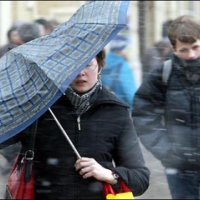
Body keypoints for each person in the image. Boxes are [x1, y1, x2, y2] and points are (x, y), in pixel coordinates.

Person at [0, 48, 150, 199]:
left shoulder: (116, 112)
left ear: (99, 66)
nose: (80, 73)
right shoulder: (39, 107)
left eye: (88, 65)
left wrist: (110, 174)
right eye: (73, 66)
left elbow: (140, 178)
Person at [132, 15, 200, 199]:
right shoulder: (163, 74)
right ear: (174, 49)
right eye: (184, 50)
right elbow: (142, 114)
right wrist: (168, 152)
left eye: (196, 47)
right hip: (180, 169)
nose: (191, 55)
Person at [0, 21, 42, 175]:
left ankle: (15, 161)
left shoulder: (8, 52)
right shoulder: (39, 53)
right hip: (27, 103)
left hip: (12, 103)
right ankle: (17, 161)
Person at [101, 34, 137, 110]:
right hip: (121, 108)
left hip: (104, 106)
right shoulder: (123, 66)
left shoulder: (102, 63)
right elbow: (129, 91)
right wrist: (136, 106)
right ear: (123, 49)